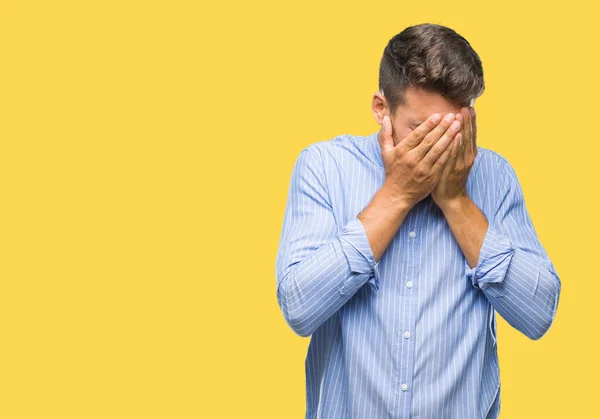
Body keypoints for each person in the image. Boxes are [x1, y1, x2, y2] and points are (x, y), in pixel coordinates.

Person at [275, 23, 561, 419]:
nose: (439, 148)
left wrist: (458, 202)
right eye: (423, 131)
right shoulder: (324, 167)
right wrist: (396, 195)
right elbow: (300, 307)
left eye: (452, 130)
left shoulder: (495, 176)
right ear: (381, 109)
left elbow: (538, 314)